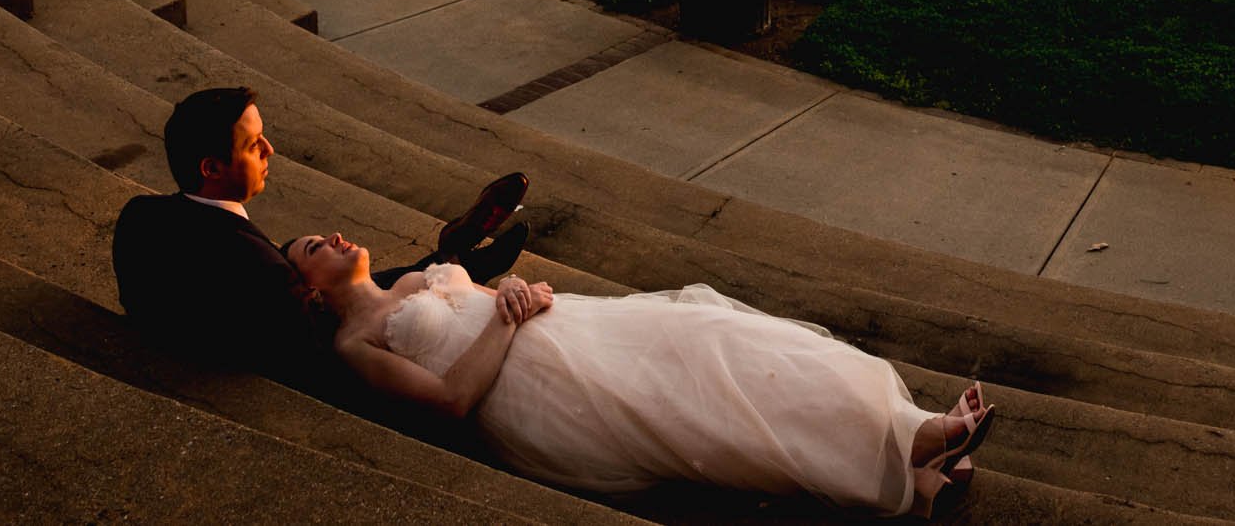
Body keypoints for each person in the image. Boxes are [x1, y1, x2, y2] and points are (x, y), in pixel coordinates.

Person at [285, 231, 993, 517]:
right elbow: (448, 399)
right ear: (311, 290)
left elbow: (492, 298)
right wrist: (508, 317)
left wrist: (519, 290)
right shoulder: (356, 341)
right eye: (316, 245)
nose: (336, 236)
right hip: (537, 397)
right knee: (699, 420)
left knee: (723, 336)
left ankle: (910, 449)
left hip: (570, 327)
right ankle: (910, 455)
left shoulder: (413, 277)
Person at [112, 86, 530, 373]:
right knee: (353, 283)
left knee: (343, 271)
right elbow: (342, 324)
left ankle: (455, 255)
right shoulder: (261, 271)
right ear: (212, 168)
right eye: (253, 144)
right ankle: (456, 258)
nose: (269, 149)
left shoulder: (140, 218)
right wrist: (436, 282)